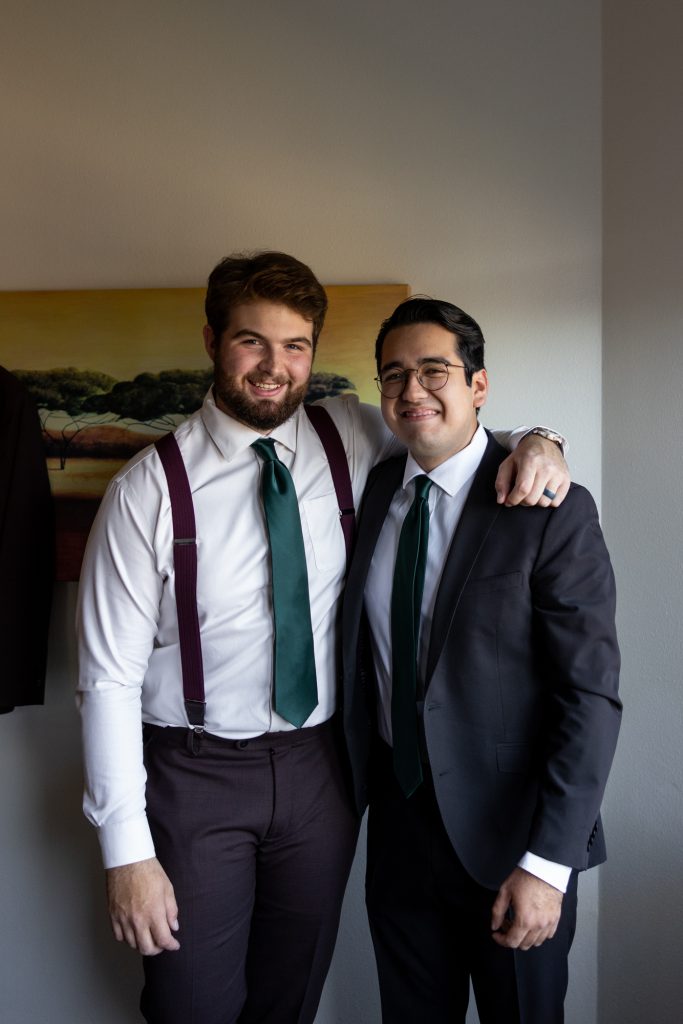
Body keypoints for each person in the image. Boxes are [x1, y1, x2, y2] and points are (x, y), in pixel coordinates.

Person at [77, 252, 570, 1024]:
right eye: (251, 341)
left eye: (295, 346)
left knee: (291, 998)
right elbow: (106, 681)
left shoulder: (347, 432)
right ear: (212, 341)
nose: (274, 367)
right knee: (189, 1005)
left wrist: (540, 439)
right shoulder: (145, 490)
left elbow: (449, 434)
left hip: (321, 771)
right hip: (195, 773)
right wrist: (126, 852)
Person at [341, 297, 622, 1023]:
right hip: (399, 830)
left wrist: (548, 865)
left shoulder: (548, 505)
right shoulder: (373, 490)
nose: (411, 390)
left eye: (434, 370)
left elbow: (588, 697)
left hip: (512, 840)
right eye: (393, 374)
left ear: (478, 385)